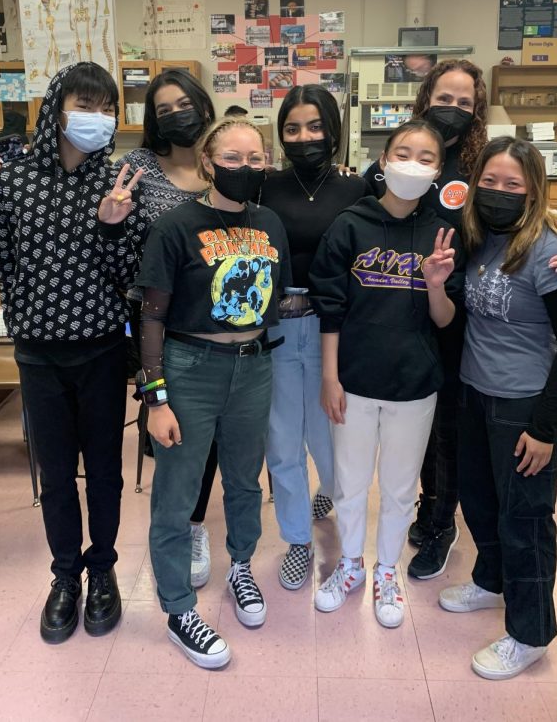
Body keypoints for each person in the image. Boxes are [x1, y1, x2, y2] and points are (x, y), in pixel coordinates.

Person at [363, 59, 557, 581]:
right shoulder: (397, 162)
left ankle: (441, 522)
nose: (453, 110)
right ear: (424, 100)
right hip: (403, 313)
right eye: (445, 98)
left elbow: (521, 217)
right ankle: (432, 509)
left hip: (469, 320)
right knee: (420, 427)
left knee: (448, 432)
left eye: (465, 103)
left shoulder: (475, 167)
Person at [0, 62, 145, 645]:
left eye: (108, 109)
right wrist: (26, 322)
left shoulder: (120, 181)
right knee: (55, 475)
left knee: (103, 470)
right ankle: (65, 577)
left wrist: (110, 227)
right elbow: (7, 262)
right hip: (39, 355)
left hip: (102, 349)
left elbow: (128, 275)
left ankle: (102, 569)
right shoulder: (14, 180)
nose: (99, 119)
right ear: (57, 108)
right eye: (87, 105)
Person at [135, 116, 291, 669]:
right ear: (207, 162)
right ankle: (178, 608)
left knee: (246, 481)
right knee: (177, 492)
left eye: (255, 159)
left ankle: (242, 566)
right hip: (189, 368)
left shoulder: (270, 222)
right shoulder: (175, 227)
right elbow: (150, 316)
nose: (245, 168)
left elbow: (278, 299)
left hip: (254, 367)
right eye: (233, 158)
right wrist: (155, 398)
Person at [439, 137, 557, 679]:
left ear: (533, 191)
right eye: (490, 182)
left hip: (523, 404)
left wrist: (545, 429)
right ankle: (490, 580)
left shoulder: (549, 251)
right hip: (475, 394)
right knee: (479, 502)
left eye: (513, 185)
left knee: (525, 519)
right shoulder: (479, 237)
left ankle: (530, 634)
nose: (499, 193)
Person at [310, 120, 464, 629]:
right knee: (350, 484)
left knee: (399, 488)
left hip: (415, 384)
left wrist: (436, 284)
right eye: (403, 153)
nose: (412, 165)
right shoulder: (350, 225)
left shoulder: (441, 231)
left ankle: (386, 570)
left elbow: (444, 320)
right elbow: (329, 309)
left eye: (426, 158)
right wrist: (329, 378)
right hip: (353, 380)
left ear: (438, 171)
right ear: (382, 159)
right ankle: (351, 565)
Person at [261, 84, 370, 590]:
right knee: (283, 444)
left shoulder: (355, 190)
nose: (304, 137)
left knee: (334, 441)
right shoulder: (264, 186)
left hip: (335, 332)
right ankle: (298, 540)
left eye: (315, 126)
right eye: (292, 128)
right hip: (276, 328)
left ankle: (339, 515)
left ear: (333, 130)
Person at [117, 68, 216, 590]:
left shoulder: (220, 163)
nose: (176, 114)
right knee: (173, 429)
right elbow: (113, 246)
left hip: (218, 321)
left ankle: (195, 524)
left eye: (184, 103)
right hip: (159, 324)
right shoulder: (136, 168)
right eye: (163, 109)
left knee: (213, 432)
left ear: (202, 105)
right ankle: (173, 528)